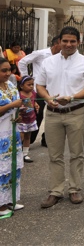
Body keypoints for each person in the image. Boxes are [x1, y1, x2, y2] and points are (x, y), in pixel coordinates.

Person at [36, 26, 84, 208]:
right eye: (65, 41)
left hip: (76, 112)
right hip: (53, 114)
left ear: (79, 42)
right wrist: (48, 98)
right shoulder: (48, 62)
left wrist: (71, 97)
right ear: (59, 42)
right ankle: (55, 191)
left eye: (73, 41)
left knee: (76, 154)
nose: (69, 44)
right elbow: (39, 85)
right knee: (54, 155)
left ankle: (74, 189)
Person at [17, 36, 61, 146]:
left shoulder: (62, 57)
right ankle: (28, 141)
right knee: (37, 114)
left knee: (55, 114)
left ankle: (46, 139)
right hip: (38, 90)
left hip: (53, 90)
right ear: (57, 44)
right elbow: (22, 62)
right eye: (63, 42)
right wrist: (26, 79)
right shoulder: (41, 53)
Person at [0, 57, 24, 215]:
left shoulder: (10, 85)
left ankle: (10, 199)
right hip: (1, 132)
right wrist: (12, 105)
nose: (8, 73)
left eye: (9, 70)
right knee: (1, 169)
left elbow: (18, 105)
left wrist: (19, 113)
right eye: (4, 70)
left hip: (12, 131)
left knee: (12, 166)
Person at [17, 76, 39, 163]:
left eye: (32, 84)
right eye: (28, 84)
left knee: (28, 136)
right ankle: (17, 154)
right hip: (22, 120)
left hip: (31, 119)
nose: (31, 86)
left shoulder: (33, 93)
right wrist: (20, 108)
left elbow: (34, 102)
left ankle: (25, 154)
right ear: (21, 86)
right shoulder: (18, 94)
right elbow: (16, 105)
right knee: (20, 137)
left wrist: (36, 104)